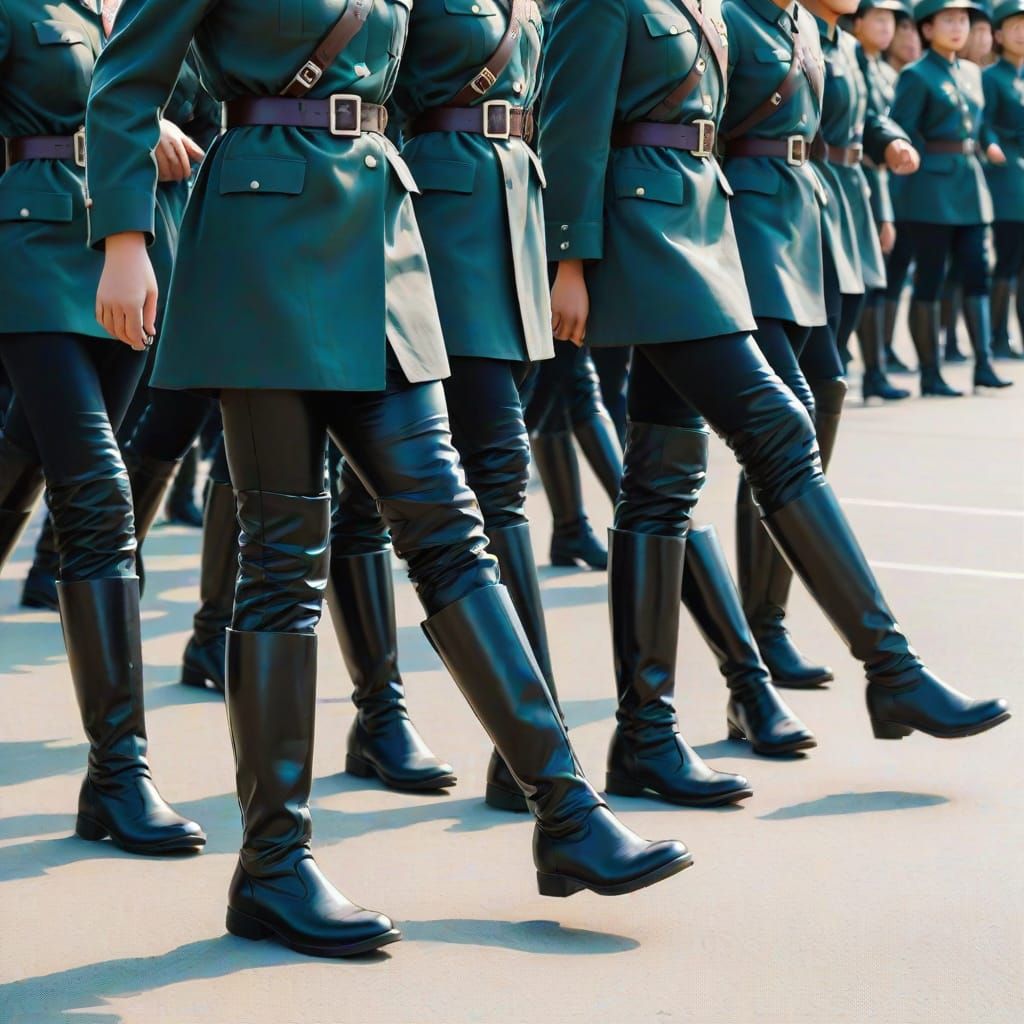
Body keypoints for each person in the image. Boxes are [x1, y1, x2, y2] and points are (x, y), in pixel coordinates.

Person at [87, 0, 692, 958]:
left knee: (451, 528)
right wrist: (124, 239)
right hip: (263, 243)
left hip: (382, 243)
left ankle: (567, 812)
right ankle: (273, 866)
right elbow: (125, 81)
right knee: (284, 563)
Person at [540, 0, 1010, 807]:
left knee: (661, 480)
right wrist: (568, 260)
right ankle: (891, 670)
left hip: (702, 229)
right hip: (645, 239)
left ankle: (645, 738)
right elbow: (570, 125)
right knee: (780, 432)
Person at [0, 0, 205, 855]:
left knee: (24, 460)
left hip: (131, 254)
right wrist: (129, 122)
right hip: (32, 253)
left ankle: (115, 779)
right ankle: (118, 777)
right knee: (98, 494)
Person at [890, 0, 1013, 393]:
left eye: (963, 20)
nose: (959, 27)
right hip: (930, 189)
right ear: (928, 30)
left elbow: (980, 125)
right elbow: (901, 129)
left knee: (976, 272)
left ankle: (984, 364)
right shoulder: (916, 74)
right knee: (930, 276)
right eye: (949, 20)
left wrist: (988, 144)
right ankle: (930, 373)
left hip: (970, 184)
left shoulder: (972, 73)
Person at [853, 0, 916, 401]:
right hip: (854, 178)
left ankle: (875, 369)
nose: (886, 26)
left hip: (877, 182)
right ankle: (866, 369)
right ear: (857, 22)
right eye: (878, 17)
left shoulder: (883, 70)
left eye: (891, 20)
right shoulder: (853, 60)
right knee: (863, 282)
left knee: (875, 281)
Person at [983, 0, 1024, 359]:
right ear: (998, 35)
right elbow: (983, 122)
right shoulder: (991, 77)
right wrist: (992, 144)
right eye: (1015, 27)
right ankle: (998, 336)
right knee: (1008, 260)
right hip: (1007, 177)